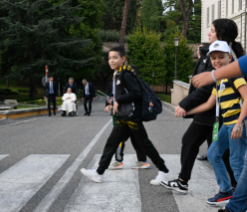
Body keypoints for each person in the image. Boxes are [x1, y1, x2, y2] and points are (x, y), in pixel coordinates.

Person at [161, 18, 240, 195]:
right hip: (210, 114)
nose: (208, 33)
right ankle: (185, 181)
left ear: (220, 33)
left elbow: (206, 89)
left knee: (221, 154)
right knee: (200, 146)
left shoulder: (228, 59)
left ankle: (235, 188)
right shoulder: (214, 56)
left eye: (212, 30)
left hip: (220, 115)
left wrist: (184, 105)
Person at [80, 47, 170, 184]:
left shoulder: (126, 74)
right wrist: (113, 103)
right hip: (123, 116)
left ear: (123, 59)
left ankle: (164, 171)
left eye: (115, 58)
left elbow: (136, 93)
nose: (112, 60)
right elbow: (123, 95)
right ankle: (99, 172)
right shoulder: (117, 75)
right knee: (112, 143)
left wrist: (118, 101)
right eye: (110, 58)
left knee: (145, 144)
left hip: (132, 117)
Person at [181, 40, 247, 206]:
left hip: (237, 125)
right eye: (214, 58)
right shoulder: (219, 81)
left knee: (236, 163)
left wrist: (239, 123)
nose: (217, 61)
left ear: (230, 57)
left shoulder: (234, 76)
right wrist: (186, 111)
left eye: (221, 57)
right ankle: (226, 191)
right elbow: (209, 104)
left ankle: (242, 200)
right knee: (213, 154)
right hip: (227, 126)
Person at [107, 66, 150, 170]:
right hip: (132, 116)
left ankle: (119, 161)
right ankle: (142, 161)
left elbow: (128, 100)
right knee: (136, 139)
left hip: (129, 116)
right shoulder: (134, 84)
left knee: (120, 138)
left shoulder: (130, 86)